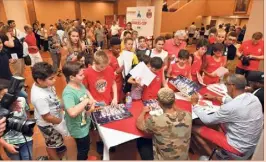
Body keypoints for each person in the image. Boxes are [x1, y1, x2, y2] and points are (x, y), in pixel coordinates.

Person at [191, 74, 263, 156]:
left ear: (232, 86)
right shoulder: (253, 98)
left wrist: (195, 104)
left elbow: (208, 120)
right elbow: (234, 102)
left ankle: (213, 157)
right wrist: (215, 97)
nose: (226, 87)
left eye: (226, 84)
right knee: (216, 122)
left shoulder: (231, 107)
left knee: (194, 127)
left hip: (238, 146)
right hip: (251, 142)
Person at [136, 87, 192, 160]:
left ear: (159, 102)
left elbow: (139, 125)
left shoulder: (155, 120)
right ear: (174, 100)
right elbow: (180, 112)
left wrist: (143, 112)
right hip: (183, 159)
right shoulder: (188, 115)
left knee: (142, 140)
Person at [31, 62, 67, 160]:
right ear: (39, 80)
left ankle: (58, 151)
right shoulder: (39, 97)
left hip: (55, 119)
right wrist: (61, 123)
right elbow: (47, 117)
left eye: (54, 77)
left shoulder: (45, 85)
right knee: (52, 144)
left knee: (57, 142)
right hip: (48, 125)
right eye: (51, 79)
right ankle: (55, 159)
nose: (54, 80)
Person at [62, 62, 95, 160]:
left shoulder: (79, 84)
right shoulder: (68, 93)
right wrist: (86, 101)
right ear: (71, 77)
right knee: (83, 149)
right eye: (81, 75)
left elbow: (86, 91)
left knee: (84, 145)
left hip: (84, 122)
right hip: (78, 128)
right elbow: (72, 112)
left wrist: (91, 99)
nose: (83, 76)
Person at [0, 79, 33, 160]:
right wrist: (6, 145)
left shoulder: (21, 100)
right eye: (2, 95)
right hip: (10, 142)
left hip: (26, 139)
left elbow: (27, 114)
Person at [106, 37, 124, 103]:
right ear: (111, 48)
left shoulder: (119, 55)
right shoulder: (108, 58)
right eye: (116, 49)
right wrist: (116, 72)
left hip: (119, 84)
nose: (119, 50)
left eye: (119, 48)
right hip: (112, 86)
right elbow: (106, 76)